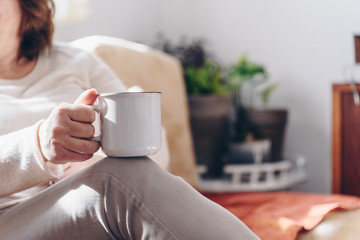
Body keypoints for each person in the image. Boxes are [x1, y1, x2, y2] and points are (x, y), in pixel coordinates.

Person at [0, 0, 260, 239]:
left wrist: (91, 163)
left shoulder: (76, 62)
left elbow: (148, 142)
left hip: (86, 201)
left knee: (120, 174)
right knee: (113, 180)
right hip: (9, 219)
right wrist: (38, 147)